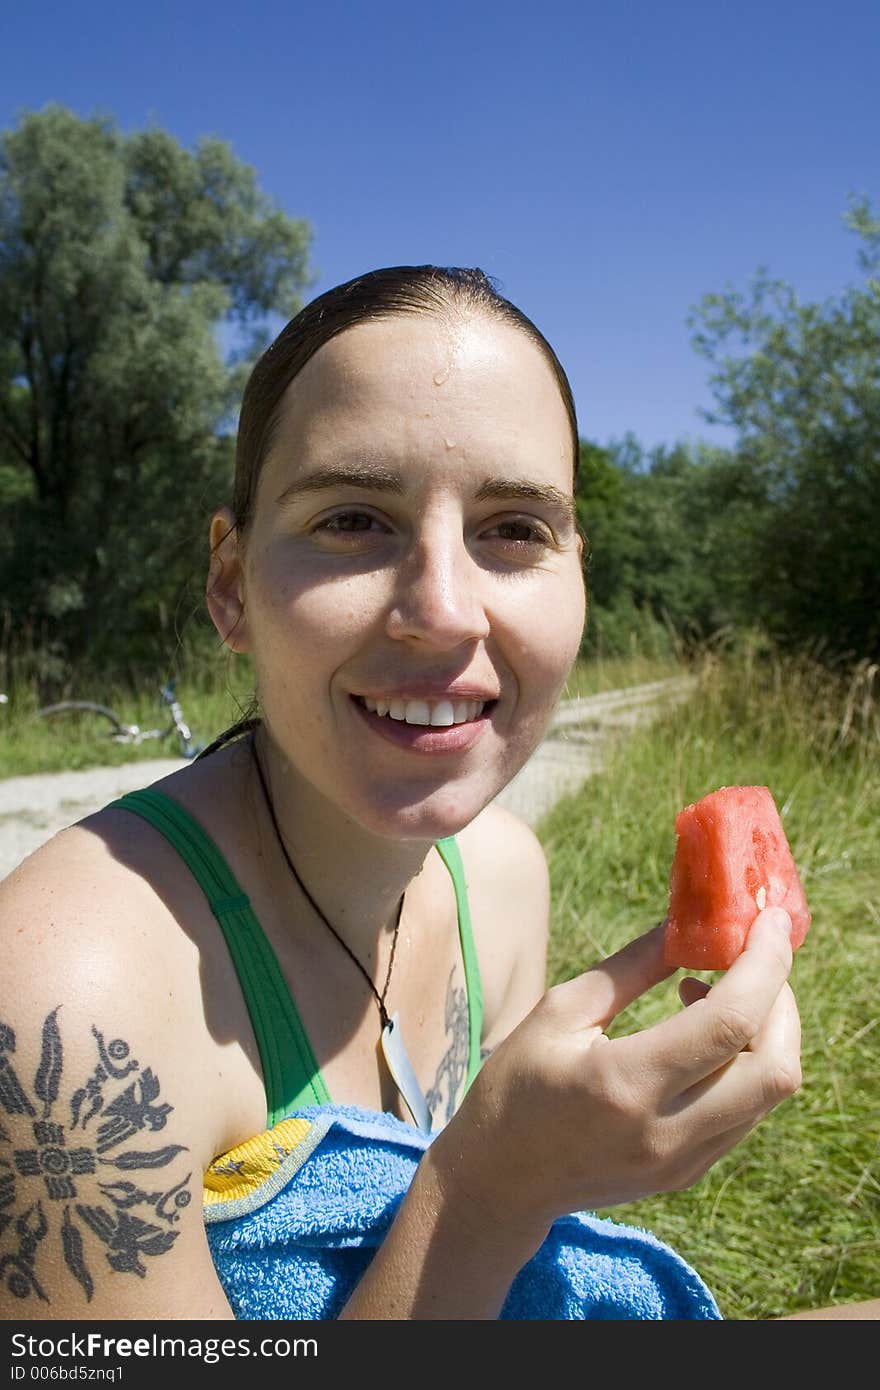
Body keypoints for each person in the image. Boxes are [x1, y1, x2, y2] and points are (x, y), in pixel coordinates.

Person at [0, 265, 821, 1321]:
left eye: (514, 529)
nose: (441, 611)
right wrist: (487, 1193)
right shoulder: (59, 1002)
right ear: (230, 582)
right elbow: (479, 1213)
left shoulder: (504, 878)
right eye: (352, 518)